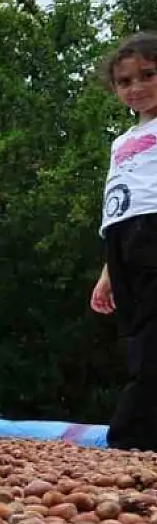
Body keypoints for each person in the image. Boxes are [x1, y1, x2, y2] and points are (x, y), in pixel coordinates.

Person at [91, 31, 157, 451]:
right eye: (125, 81)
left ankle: (131, 436)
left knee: (154, 332)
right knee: (137, 333)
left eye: (148, 75)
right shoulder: (122, 141)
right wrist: (106, 274)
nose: (136, 87)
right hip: (122, 238)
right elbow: (118, 204)